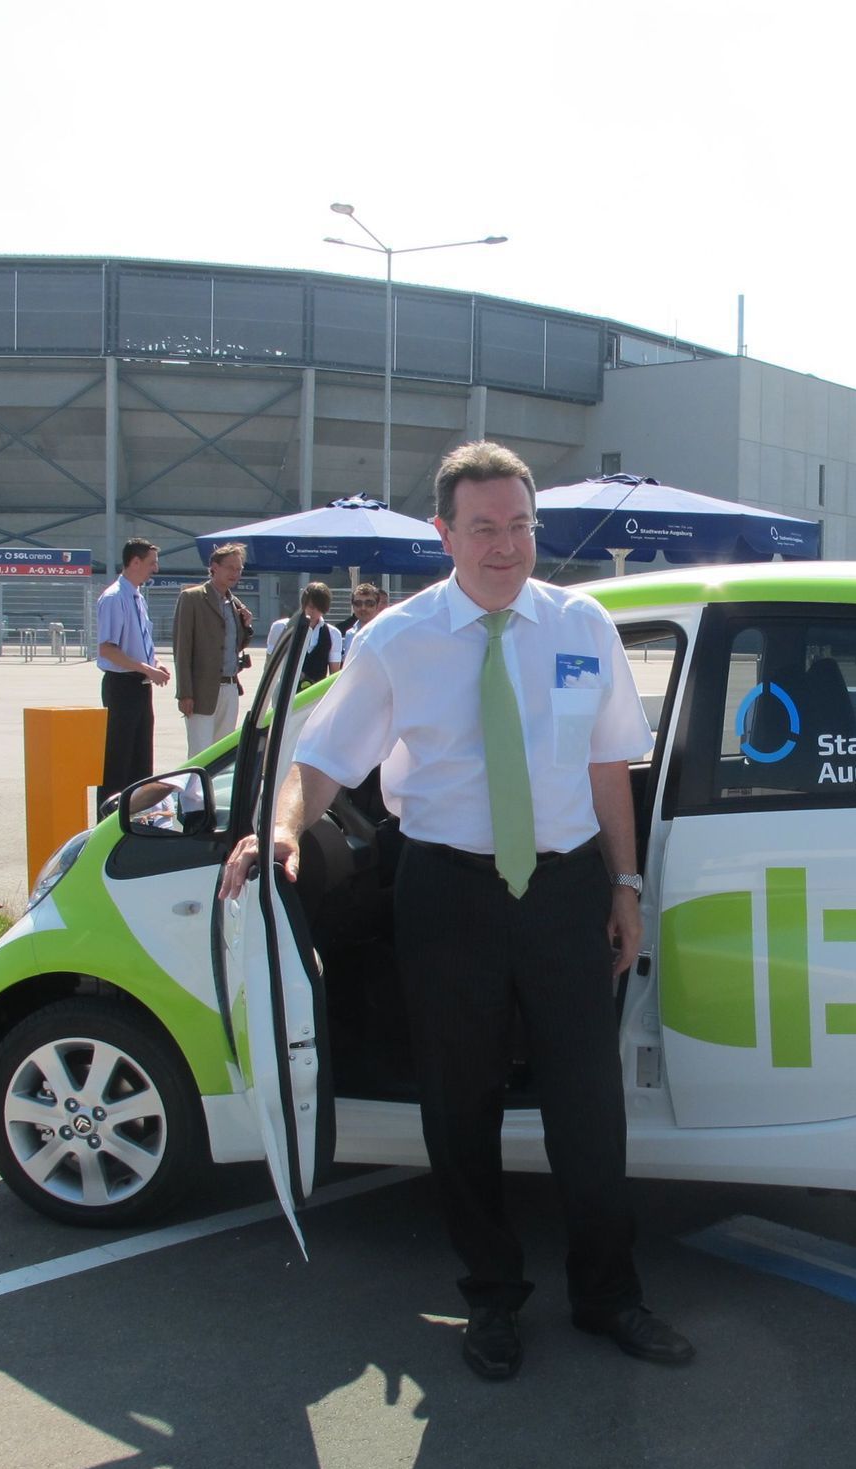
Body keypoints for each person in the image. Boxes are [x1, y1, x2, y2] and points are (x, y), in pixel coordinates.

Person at [222, 440, 691, 1382]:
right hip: (445, 892)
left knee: (590, 1109)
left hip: (565, 891)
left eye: (520, 525)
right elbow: (322, 765)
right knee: (460, 1107)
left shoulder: (582, 625)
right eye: (484, 527)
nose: (506, 545)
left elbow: (610, 768)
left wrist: (627, 886)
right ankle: (492, 1299)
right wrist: (275, 832)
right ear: (444, 533)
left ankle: (608, 1296)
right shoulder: (398, 640)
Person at [95, 539, 170, 798]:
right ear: (135, 562)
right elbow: (108, 649)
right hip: (122, 685)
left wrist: (155, 664)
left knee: (141, 758)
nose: (155, 569)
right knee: (118, 759)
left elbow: (140, 643)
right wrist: (147, 669)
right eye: (151, 563)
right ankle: (110, 818)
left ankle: (137, 816)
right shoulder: (115, 598)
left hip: (140, 685)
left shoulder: (137, 597)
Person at [173, 543, 254, 756]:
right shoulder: (192, 598)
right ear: (214, 567)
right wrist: (185, 693)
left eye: (239, 569)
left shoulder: (235, 603)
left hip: (229, 686)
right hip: (201, 691)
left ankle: (212, 791)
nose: (235, 573)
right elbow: (182, 648)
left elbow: (235, 644)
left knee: (222, 754)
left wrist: (246, 626)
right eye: (230, 568)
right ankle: (192, 791)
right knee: (200, 752)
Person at [264, 581, 346, 690]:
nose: (314, 612)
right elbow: (269, 667)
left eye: (320, 608)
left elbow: (334, 675)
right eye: (311, 606)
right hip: (285, 694)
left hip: (316, 695)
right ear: (304, 603)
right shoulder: (281, 628)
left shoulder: (333, 634)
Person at [338, 580, 388, 667]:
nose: (363, 608)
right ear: (352, 606)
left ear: (377, 606)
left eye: (369, 604)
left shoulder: (386, 632)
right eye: (358, 603)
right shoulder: (349, 634)